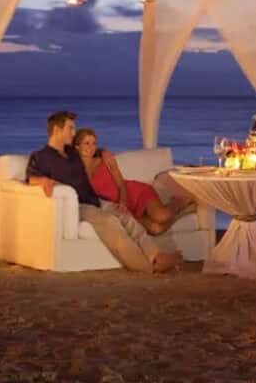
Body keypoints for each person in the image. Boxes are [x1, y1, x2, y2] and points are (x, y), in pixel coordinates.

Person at [25, 110, 183, 273]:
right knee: (111, 223)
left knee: (126, 216)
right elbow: (30, 178)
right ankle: (148, 266)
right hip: (79, 205)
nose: (73, 133)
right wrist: (43, 180)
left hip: (96, 199)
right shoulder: (40, 156)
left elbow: (89, 149)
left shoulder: (72, 151)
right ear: (57, 130)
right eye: (70, 128)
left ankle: (156, 255)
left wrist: (103, 151)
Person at [74, 128, 195, 236]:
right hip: (119, 209)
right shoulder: (76, 171)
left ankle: (177, 202)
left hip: (134, 193)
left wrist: (123, 202)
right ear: (77, 146)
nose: (91, 147)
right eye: (87, 143)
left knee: (162, 216)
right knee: (155, 229)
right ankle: (184, 212)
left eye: (94, 143)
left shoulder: (105, 158)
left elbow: (121, 183)